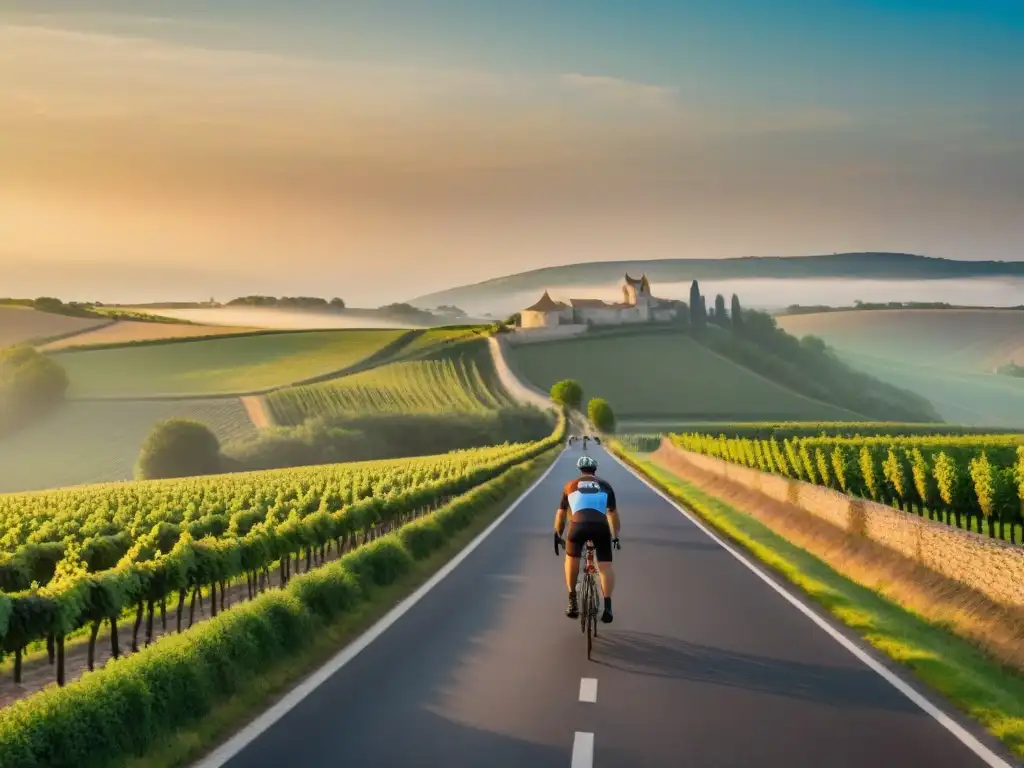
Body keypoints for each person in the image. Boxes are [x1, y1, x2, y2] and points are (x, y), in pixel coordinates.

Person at [554, 455, 620, 623]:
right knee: (605, 568)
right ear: (595, 470)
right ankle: (608, 607)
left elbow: (561, 514)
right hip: (600, 527)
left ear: (580, 470)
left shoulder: (570, 485)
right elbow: (612, 514)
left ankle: (572, 601)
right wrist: (615, 536)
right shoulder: (605, 486)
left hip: (578, 526)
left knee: (571, 559)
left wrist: (558, 533)